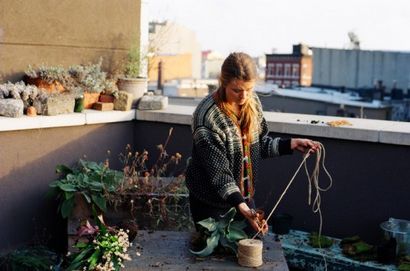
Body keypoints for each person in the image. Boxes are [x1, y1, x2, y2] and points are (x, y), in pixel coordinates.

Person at [186, 52, 319, 236]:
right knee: (215, 260)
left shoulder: (252, 102)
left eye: (248, 89)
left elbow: (259, 145)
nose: (244, 96)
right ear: (223, 83)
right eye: (237, 90)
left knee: (253, 246)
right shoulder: (207, 116)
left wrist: (291, 144)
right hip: (209, 204)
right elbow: (219, 173)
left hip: (243, 198)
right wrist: (244, 208)